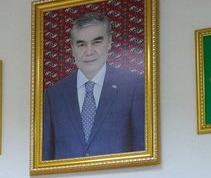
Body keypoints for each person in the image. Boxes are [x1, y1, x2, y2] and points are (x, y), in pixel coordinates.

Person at [42, 12, 146, 160]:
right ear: (72, 48)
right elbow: (46, 156)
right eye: (81, 44)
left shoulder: (133, 86)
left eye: (97, 42)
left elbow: (142, 148)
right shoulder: (53, 95)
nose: (89, 51)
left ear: (109, 42)